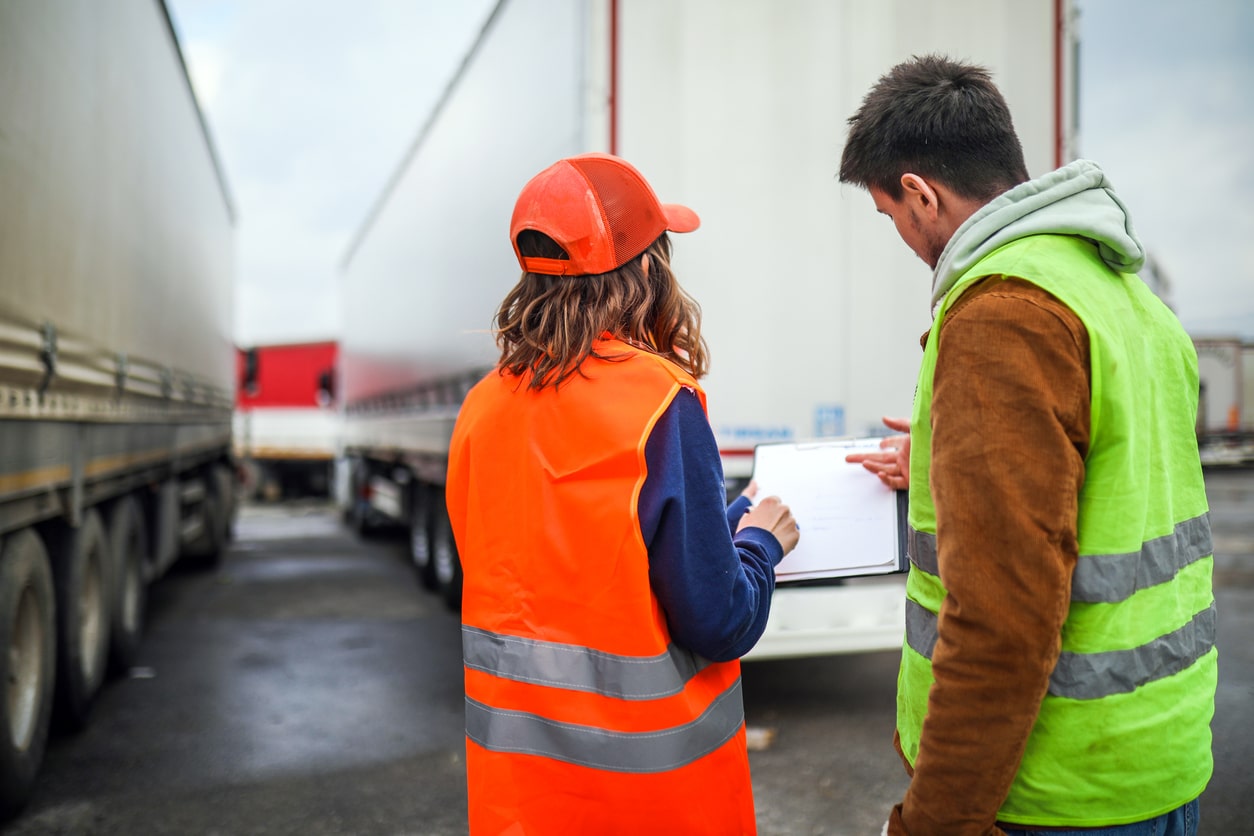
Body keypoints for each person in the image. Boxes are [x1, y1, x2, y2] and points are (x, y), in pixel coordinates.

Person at [837, 55, 1217, 835]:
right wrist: (944, 468)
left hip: (1058, 789)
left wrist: (933, 821)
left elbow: (1002, 619)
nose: (905, 238)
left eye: (892, 217)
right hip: (1157, 762)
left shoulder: (1003, 315)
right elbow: (1112, 479)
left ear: (920, 193)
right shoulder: (1122, 297)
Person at [445, 152, 800, 835]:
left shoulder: (482, 408)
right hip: (651, 808)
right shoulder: (658, 401)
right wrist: (762, 542)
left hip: (521, 806)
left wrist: (725, 520)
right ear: (643, 270)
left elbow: (576, 568)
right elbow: (720, 620)